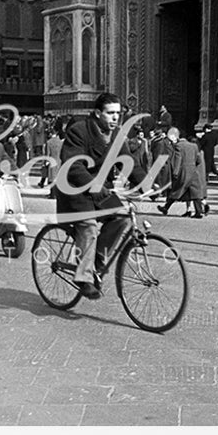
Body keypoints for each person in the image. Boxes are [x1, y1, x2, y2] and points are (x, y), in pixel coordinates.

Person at [54, 93, 128, 300]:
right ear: (97, 113)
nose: (115, 118)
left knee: (123, 217)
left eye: (118, 114)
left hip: (100, 190)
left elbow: (129, 161)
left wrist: (150, 181)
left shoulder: (117, 135)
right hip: (75, 191)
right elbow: (74, 167)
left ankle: (96, 259)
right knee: (89, 227)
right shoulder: (79, 131)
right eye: (110, 113)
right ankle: (83, 278)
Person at [157, 128, 207, 218]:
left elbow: (178, 159)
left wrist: (175, 172)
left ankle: (166, 207)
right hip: (193, 171)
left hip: (183, 171)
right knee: (195, 192)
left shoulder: (179, 146)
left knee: (177, 190)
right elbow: (198, 160)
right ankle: (198, 212)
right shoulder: (194, 146)